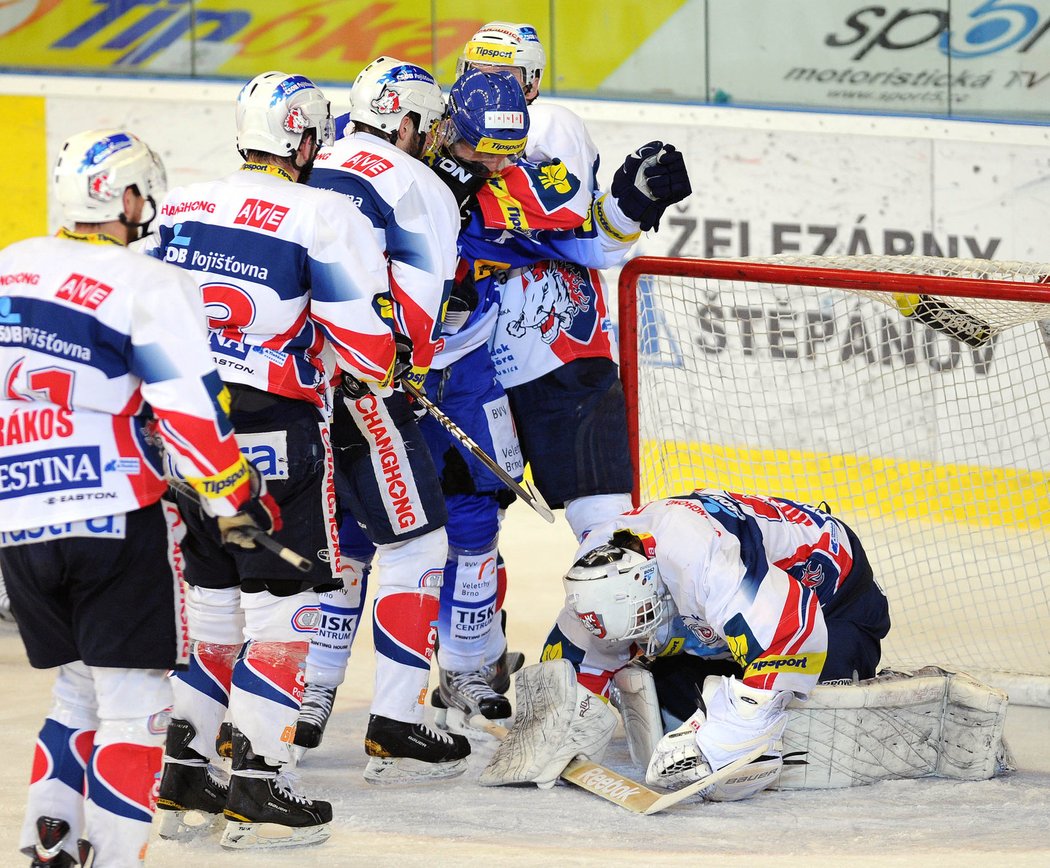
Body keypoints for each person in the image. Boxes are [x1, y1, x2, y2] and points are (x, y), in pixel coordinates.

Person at [0, 128, 280, 867]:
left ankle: (47, 847)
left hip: (18, 520)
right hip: (111, 517)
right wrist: (232, 500)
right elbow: (191, 410)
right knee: (135, 708)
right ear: (126, 198)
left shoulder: (9, 268)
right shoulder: (148, 283)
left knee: (74, 697)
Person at [148, 70, 404, 848]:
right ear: (301, 138)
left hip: (186, 426)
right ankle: (260, 780)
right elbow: (373, 354)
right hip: (273, 430)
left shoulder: (182, 205)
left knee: (214, 599)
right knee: (286, 604)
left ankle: (185, 772)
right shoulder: (324, 214)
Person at [421, 65, 691, 724]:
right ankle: (331, 676)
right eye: (480, 147)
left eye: (506, 152)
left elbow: (589, 234)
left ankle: (495, 666)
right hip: (406, 369)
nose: (491, 162)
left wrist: (630, 203)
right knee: (382, 537)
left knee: (493, 519)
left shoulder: (533, 174)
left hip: (502, 369)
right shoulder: (402, 174)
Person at [293, 57, 472, 782]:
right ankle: (395, 720)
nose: (427, 139)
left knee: (308, 548)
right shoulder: (422, 184)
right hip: (358, 392)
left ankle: (280, 709)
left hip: (285, 387)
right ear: (405, 123)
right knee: (418, 544)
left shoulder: (308, 158)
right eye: (424, 128)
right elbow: (417, 331)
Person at [483, 489, 891, 801]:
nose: (636, 643)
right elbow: (576, 657)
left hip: (831, 596)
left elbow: (792, 630)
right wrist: (551, 722)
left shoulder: (700, 561)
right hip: (720, 609)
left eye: (639, 626)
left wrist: (727, 737)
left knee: (815, 721)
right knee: (671, 709)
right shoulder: (600, 571)